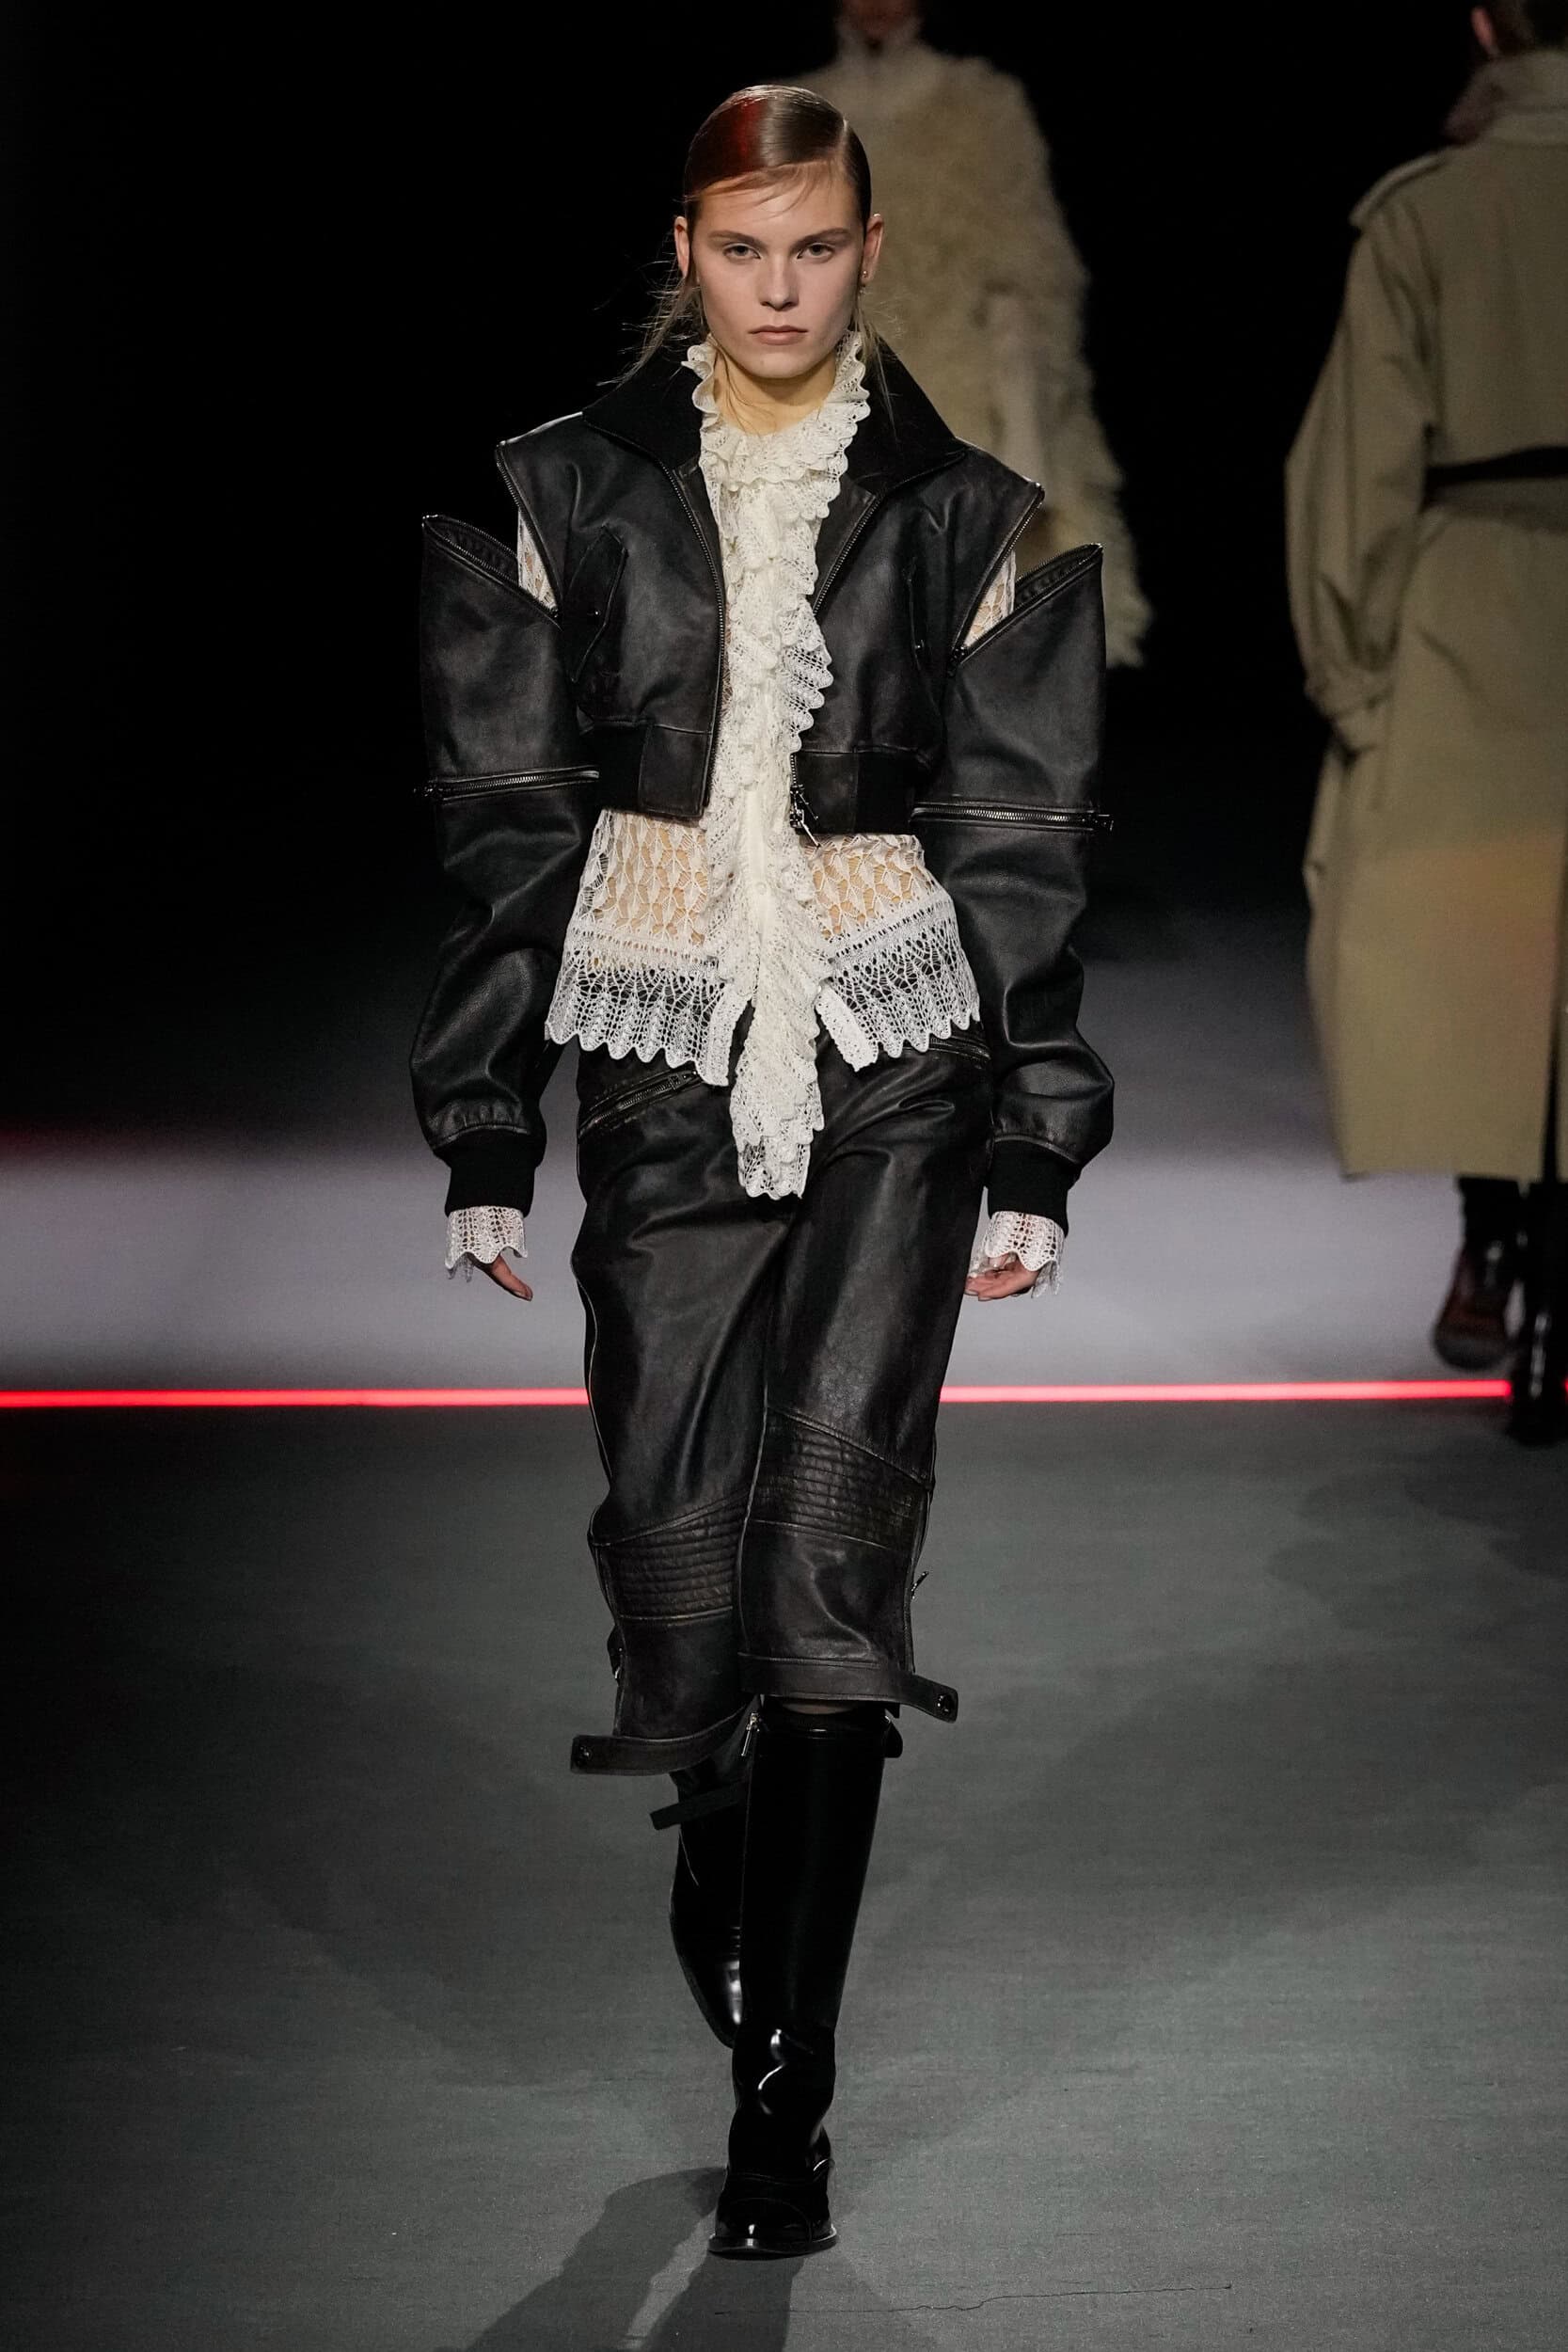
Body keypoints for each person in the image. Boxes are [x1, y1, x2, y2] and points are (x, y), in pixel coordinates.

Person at [411, 85, 1113, 2255]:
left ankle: (783, 2099)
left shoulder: (965, 514)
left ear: (870, 251)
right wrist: (484, 1112)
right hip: (658, 1052)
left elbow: (1020, 834)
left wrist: (1034, 1130)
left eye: (815, 248)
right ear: (687, 253)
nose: (781, 288)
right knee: (684, 1560)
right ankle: (717, 1812)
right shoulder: (566, 489)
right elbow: (504, 819)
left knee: (832, 1556)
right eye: (743, 250)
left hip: (896, 1048)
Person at [1286, 3, 1568, 1445]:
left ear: (1484, 26)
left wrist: (1346, 672)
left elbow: (1356, 458)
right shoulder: (1421, 208)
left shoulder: (1426, 212)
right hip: (1483, 579)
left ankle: (1490, 1236)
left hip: (1470, 598)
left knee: (1476, 944)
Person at [800, 0, 1149, 667]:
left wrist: (1026, 448)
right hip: (817, 409)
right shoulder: (796, 113)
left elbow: (1026, 285)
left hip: (957, 413)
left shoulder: (982, 107)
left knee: (961, 642)